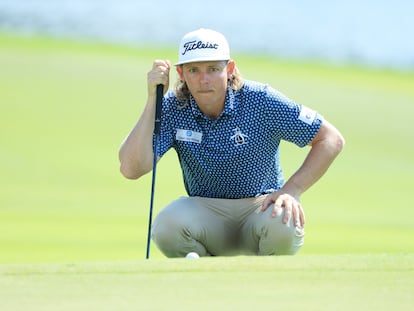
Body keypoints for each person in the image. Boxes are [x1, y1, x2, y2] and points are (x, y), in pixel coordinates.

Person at [119, 28, 345, 257]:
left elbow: (330, 138)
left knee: (284, 223)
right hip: (206, 214)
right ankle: (208, 284)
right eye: (194, 70)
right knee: (166, 226)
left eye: (213, 69)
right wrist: (152, 100)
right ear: (181, 73)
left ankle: (264, 285)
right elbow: (131, 168)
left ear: (229, 69)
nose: (203, 79)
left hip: (260, 209)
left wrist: (292, 190)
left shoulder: (261, 100)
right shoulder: (173, 107)